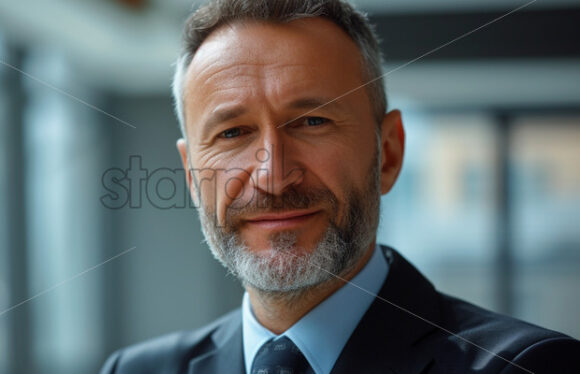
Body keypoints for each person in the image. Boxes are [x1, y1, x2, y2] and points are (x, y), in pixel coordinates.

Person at [100, 1, 580, 373]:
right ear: (191, 175)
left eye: (311, 121)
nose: (271, 175)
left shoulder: (527, 366)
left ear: (387, 153)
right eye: (232, 133)